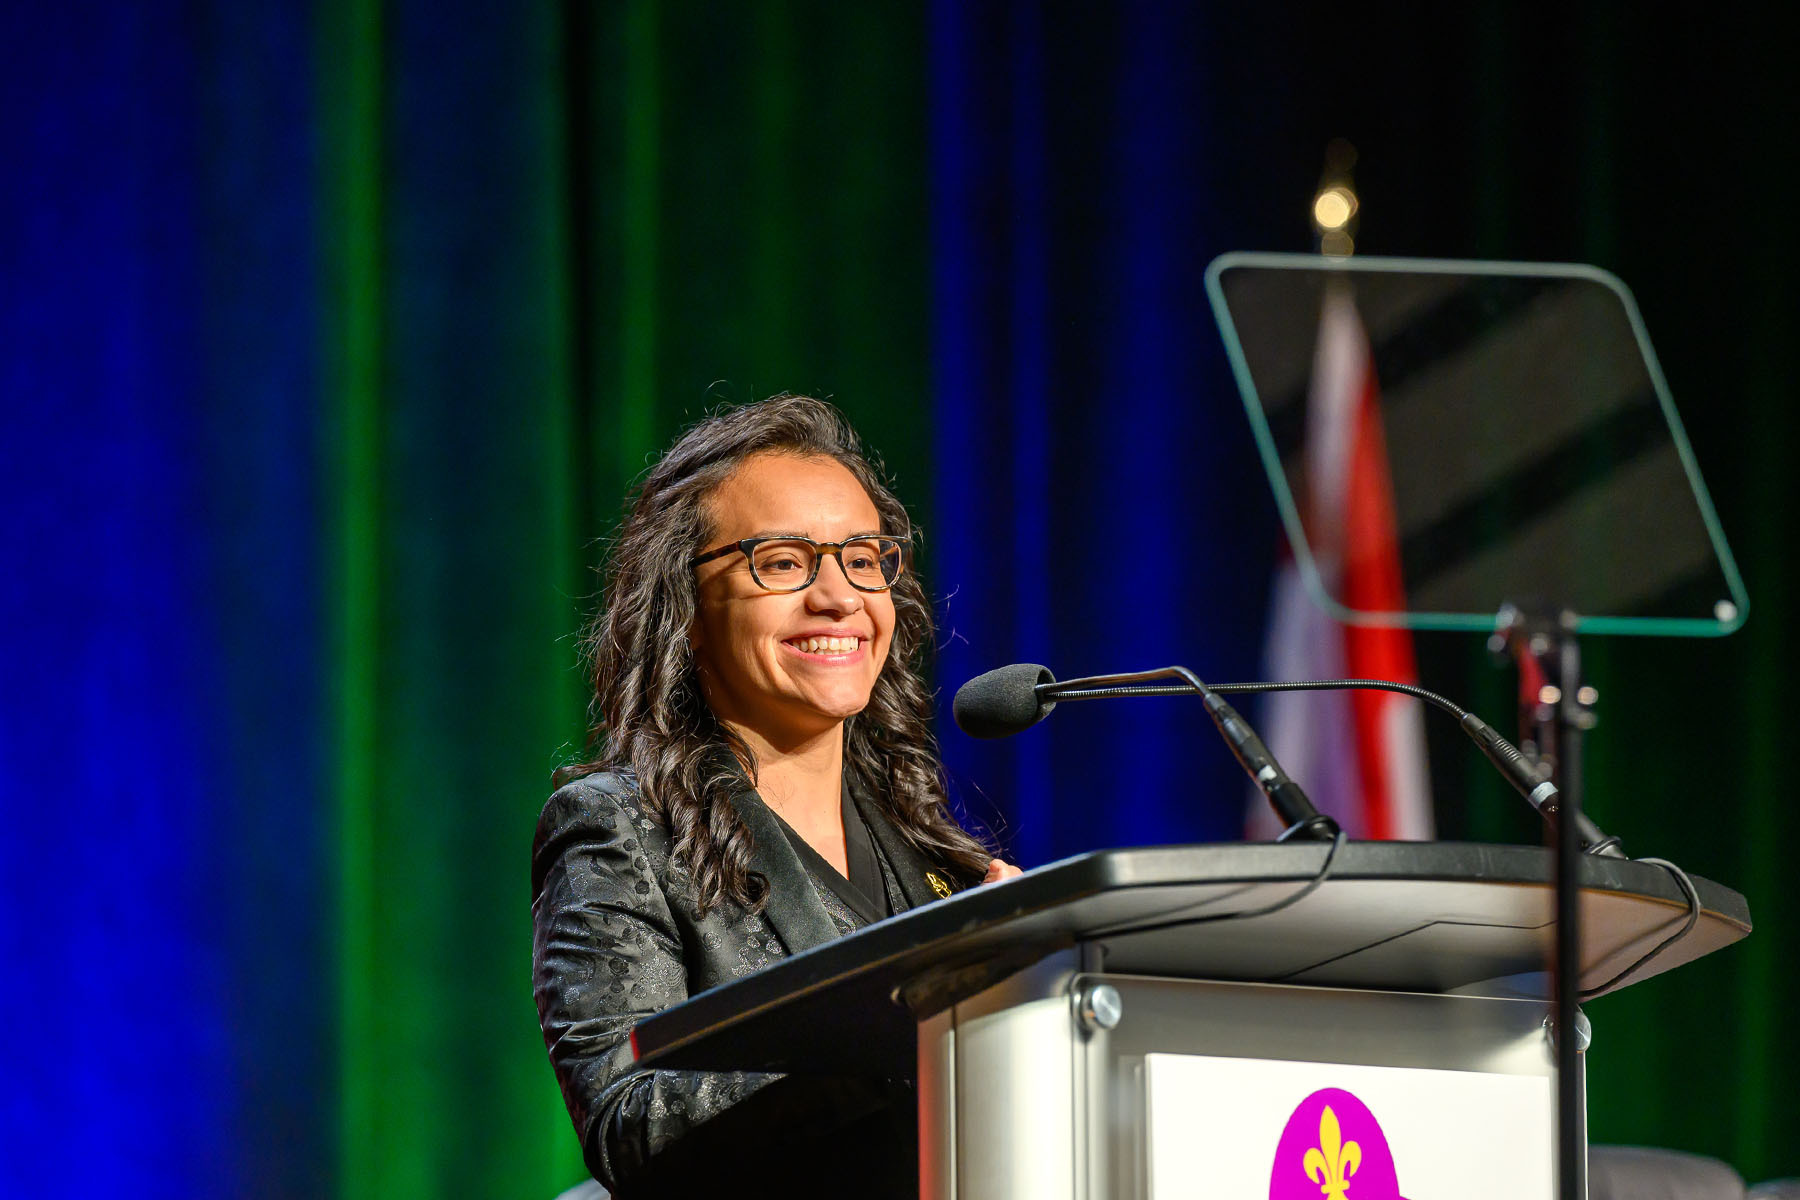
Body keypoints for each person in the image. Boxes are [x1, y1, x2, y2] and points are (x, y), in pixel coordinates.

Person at [532, 395, 1020, 1198]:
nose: (840, 596)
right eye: (784, 562)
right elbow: (629, 1129)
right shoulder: (619, 828)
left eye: (864, 558)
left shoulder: (925, 846)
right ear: (684, 609)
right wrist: (909, 1012)